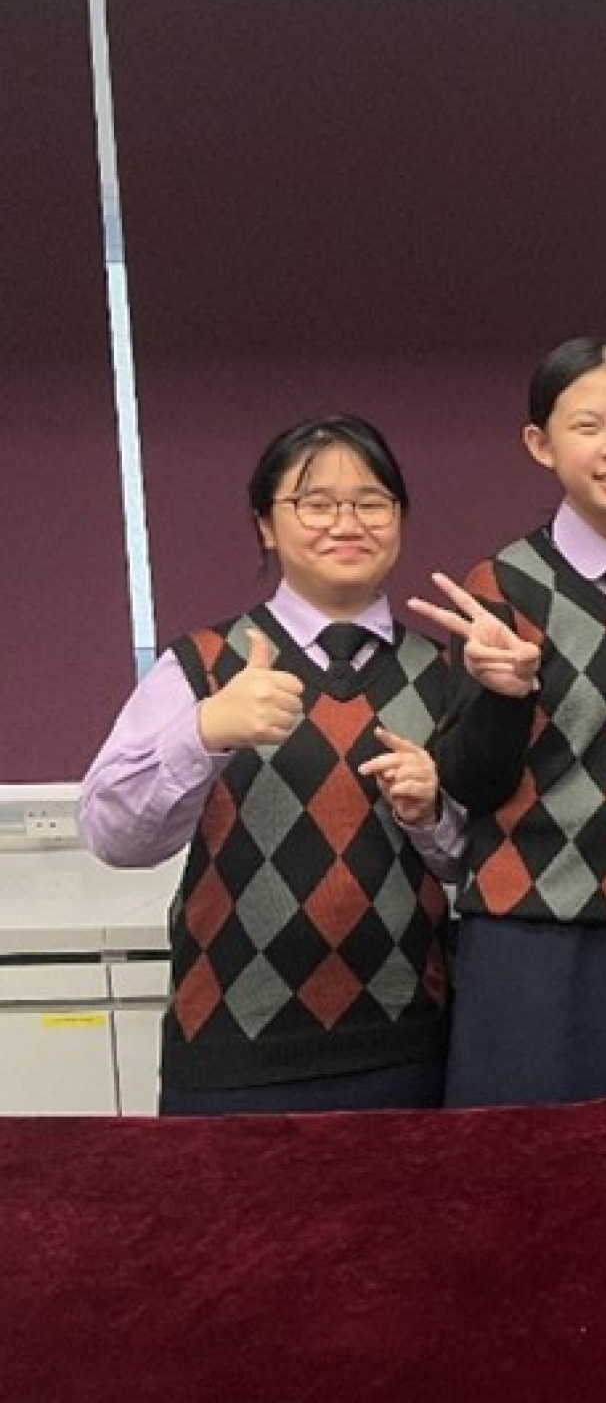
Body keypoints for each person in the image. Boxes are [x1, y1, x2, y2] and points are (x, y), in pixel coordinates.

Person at [78, 415, 459, 1115]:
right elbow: (113, 836)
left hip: (406, 1043)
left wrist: (431, 813)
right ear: (266, 525)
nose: (346, 523)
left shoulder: (442, 672)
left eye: (371, 502)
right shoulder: (202, 665)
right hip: (232, 1049)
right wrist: (204, 731)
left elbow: (475, 862)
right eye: (316, 503)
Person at [414, 338, 606, 1105]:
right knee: (512, 1163)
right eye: (587, 426)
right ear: (540, 444)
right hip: (521, 933)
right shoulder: (502, 584)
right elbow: (470, 783)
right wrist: (504, 694)